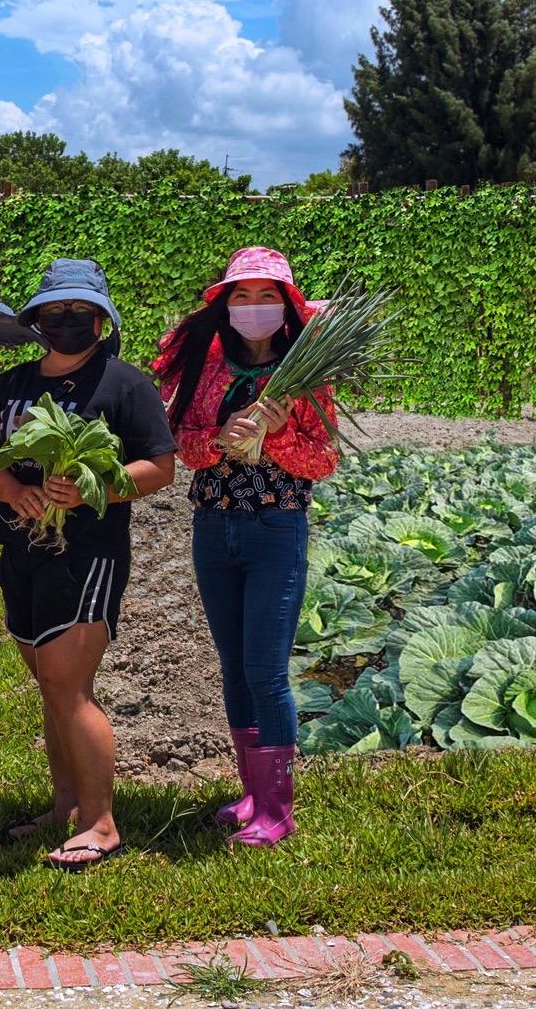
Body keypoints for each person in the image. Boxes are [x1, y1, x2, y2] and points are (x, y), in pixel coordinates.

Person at [0, 259, 177, 871]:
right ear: (37, 320)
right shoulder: (12, 386)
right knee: (50, 686)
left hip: (87, 554)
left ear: (102, 321)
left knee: (69, 684)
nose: (67, 322)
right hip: (19, 549)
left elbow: (159, 467)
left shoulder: (125, 385)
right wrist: (10, 491)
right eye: (55, 313)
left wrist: (94, 489)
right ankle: (65, 807)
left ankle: (101, 821)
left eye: (81, 313)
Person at [155, 247, 338, 847]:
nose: (253, 307)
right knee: (234, 669)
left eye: (267, 296)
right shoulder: (208, 369)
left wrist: (279, 435)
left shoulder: (308, 374)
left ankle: (278, 808)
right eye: (242, 295)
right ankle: (252, 794)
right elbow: (184, 447)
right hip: (214, 527)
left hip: (275, 530)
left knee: (265, 670)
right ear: (225, 304)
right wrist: (220, 438)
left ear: (286, 305)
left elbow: (325, 461)